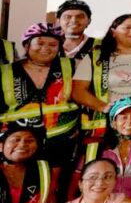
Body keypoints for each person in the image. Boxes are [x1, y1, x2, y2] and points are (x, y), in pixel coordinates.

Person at [0, 23, 78, 184]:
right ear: (27, 45)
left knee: (52, 187)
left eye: (53, 44)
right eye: (40, 43)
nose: (46, 48)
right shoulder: (6, 71)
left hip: (60, 141)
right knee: (18, 187)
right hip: (20, 142)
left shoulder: (72, 67)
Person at [72, 14, 131, 144]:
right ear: (113, 32)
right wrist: (104, 107)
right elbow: (78, 91)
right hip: (104, 122)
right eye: (127, 27)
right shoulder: (95, 57)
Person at [57, 0, 99, 65]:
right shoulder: (49, 46)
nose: (74, 20)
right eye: (68, 17)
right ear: (58, 21)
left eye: (79, 17)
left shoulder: (101, 46)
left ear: (89, 21)